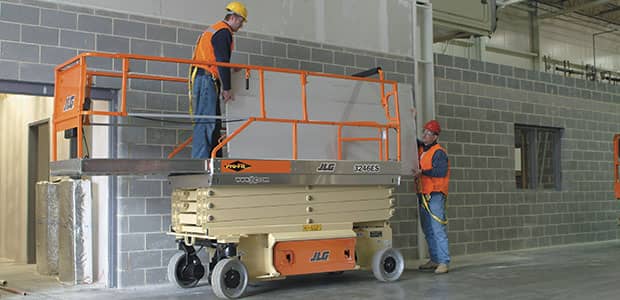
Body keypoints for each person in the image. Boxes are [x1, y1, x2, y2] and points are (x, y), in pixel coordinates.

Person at [190, 1, 247, 158]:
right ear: (234, 17)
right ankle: (201, 161)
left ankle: (214, 158)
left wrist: (230, 68)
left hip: (204, 77)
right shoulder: (224, 32)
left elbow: (216, 59)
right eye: (241, 22)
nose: (240, 27)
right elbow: (221, 61)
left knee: (213, 121)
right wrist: (227, 88)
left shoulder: (216, 29)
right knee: (207, 121)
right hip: (207, 78)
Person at [414, 119, 451, 274]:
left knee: (437, 229)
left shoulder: (439, 152)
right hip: (423, 194)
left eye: (428, 133)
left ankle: (443, 262)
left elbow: (440, 172)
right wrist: (411, 120)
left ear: (435, 136)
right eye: (424, 132)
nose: (425, 135)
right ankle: (435, 259)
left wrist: (423, 172)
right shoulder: (423, 150)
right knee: (427, 229)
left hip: (435, 194)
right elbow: (412, 139)